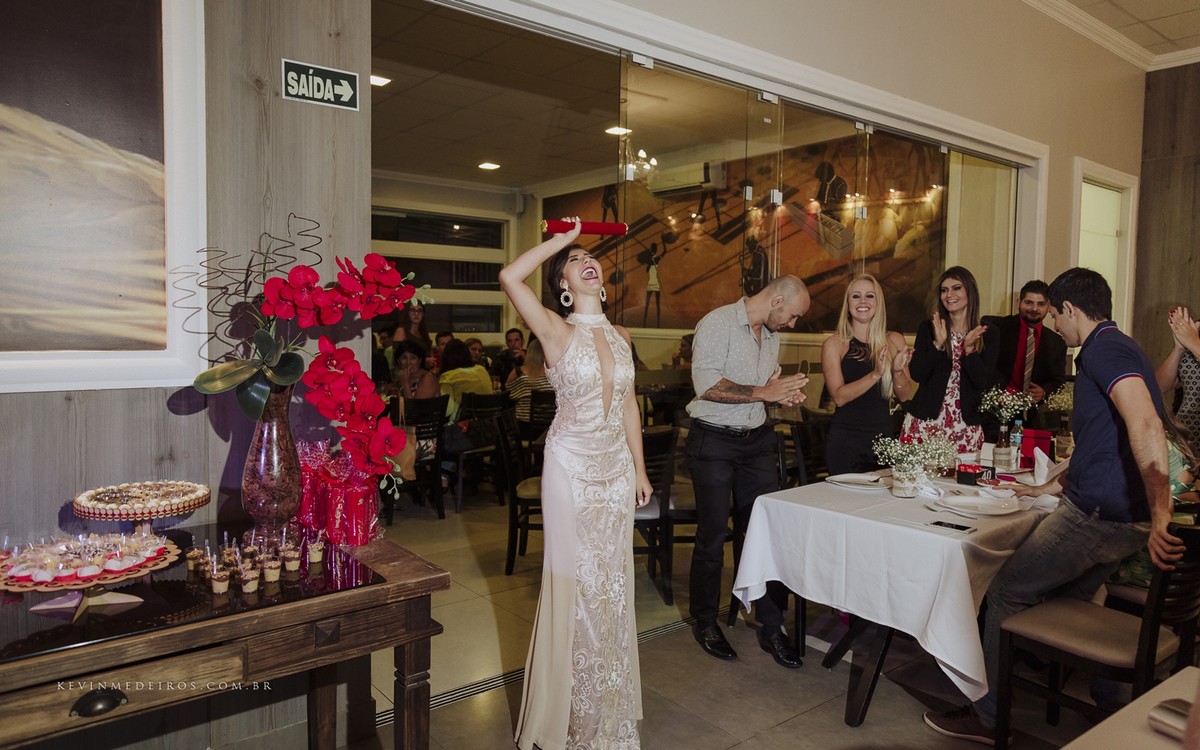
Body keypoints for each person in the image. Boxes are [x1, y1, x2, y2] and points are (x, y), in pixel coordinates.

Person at [923, 267, 1185, 746]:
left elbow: (1147, 424)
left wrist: (1163, 511)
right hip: (1120, 515)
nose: (1052, 326)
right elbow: (1104, 438)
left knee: (1005, 590)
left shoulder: (1102, 349)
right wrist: (1047, 487)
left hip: (1099, 517)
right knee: (1070, 597)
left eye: (1055, 315)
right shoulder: (1121, 346)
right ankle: (1113, 704)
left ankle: (987, 716)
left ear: (1068, 309)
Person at [499, 219, 652, 750]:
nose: (587, 260)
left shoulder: (622, 335)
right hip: (569, 470)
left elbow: (629, 404)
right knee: (577, 586)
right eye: (574, 260)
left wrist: (639, 468)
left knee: (611, 587)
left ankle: (606, 705)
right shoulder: (553, 329)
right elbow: (509, 275)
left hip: (614, 474)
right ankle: (570, 717)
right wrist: (562, 241)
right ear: (564, 282)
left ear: (602, 278)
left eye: (592, 256)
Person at [686, 275, 810, 668]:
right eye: (792, 316)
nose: (792, 325)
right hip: (714, 442)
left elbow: (762, 391)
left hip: (756, 442)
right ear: (776, 301)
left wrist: (781, 394)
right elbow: (707, 385)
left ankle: (772, 627)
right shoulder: (717, 323)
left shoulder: (770, 336)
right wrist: (764, 393)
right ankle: (705, 622)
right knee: (711, 536)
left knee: (762, 534)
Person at [821, 274, 913, 474]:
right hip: (845, 441)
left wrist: (897, 372)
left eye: (870, 296)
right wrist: (876, 374)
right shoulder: (835, 344)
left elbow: (905, 395)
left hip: (882, 440)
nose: (863, 302)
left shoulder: (895, 340)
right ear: (848, 303)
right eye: (856, 296)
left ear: (878, 302)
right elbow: (839, 397)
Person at [902, 266, 998, 454]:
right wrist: (938, 344)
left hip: (965, 425)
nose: (949, 295)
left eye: (956, 288)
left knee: (961, 482)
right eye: (944, 290)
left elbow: (983, 384)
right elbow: (918, 374)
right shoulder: (928, 328)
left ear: (970, 291)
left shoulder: (988, 333)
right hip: (925, 421)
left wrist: (969, 350)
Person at [982, 279, 1067, 422]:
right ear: (1018, 303)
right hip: (994, 412)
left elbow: (1058, 381)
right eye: (1029, 302)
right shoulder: (997, 329)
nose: (1034, 309)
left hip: (1033, 417)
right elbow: (984, 367)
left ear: (1048, 307)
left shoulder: (1057, 342)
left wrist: (1044, 391)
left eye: (1041, 304)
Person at [1155, 304, 1200, 442]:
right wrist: (1179, 349)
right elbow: (1158, 386)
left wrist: (1194, 344)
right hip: (1185, 436)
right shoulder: (1196, 330)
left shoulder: (1194, 339)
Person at [436, 338, 492, 421]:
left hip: (463, 426)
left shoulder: (448, 376)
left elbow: (447, 411)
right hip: (487, 423)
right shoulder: (482, 369)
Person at [506, 338, 553, 423]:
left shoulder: (519, 374)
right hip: (551, 426)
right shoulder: (557, 376)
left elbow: (508, 395)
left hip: (524, 424)